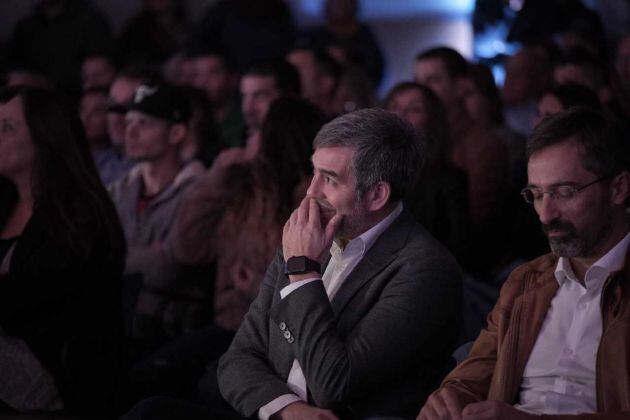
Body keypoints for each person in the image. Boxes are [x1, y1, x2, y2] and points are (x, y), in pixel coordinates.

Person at [218, 108, 462, 419]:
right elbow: (236, 359)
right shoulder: (305, 238)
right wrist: (288, 410)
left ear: (376, 195)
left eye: (329, 179)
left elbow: (333, 384)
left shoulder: (425, 270)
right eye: (314, 172)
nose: (311, 191)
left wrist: (304, 271)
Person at [418, 106, 630, 420]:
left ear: (619, 188)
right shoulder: (527, 281)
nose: (546, 214)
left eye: (564, 191)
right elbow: (472, 376)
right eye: (537, 194)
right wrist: (450, 397)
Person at [0, 86, 125, 415]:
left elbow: (26, 295)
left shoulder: (79, 216)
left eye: (7, 127)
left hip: (53, 373)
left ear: (44, 138)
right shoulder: (4, 203)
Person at [109, 83, 206, 349]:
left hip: (168, 329)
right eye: (128, 122)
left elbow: (168, 267)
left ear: (176, 132)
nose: (130, 131)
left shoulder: (198, 192)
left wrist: (116, 259)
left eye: (145, 123)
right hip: (116, 320)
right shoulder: (118, 190)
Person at [240, 59, 300, 155]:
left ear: (287, 97)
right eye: (244, 96)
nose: (247, 109)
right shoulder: (240, 140)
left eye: (260, 96)